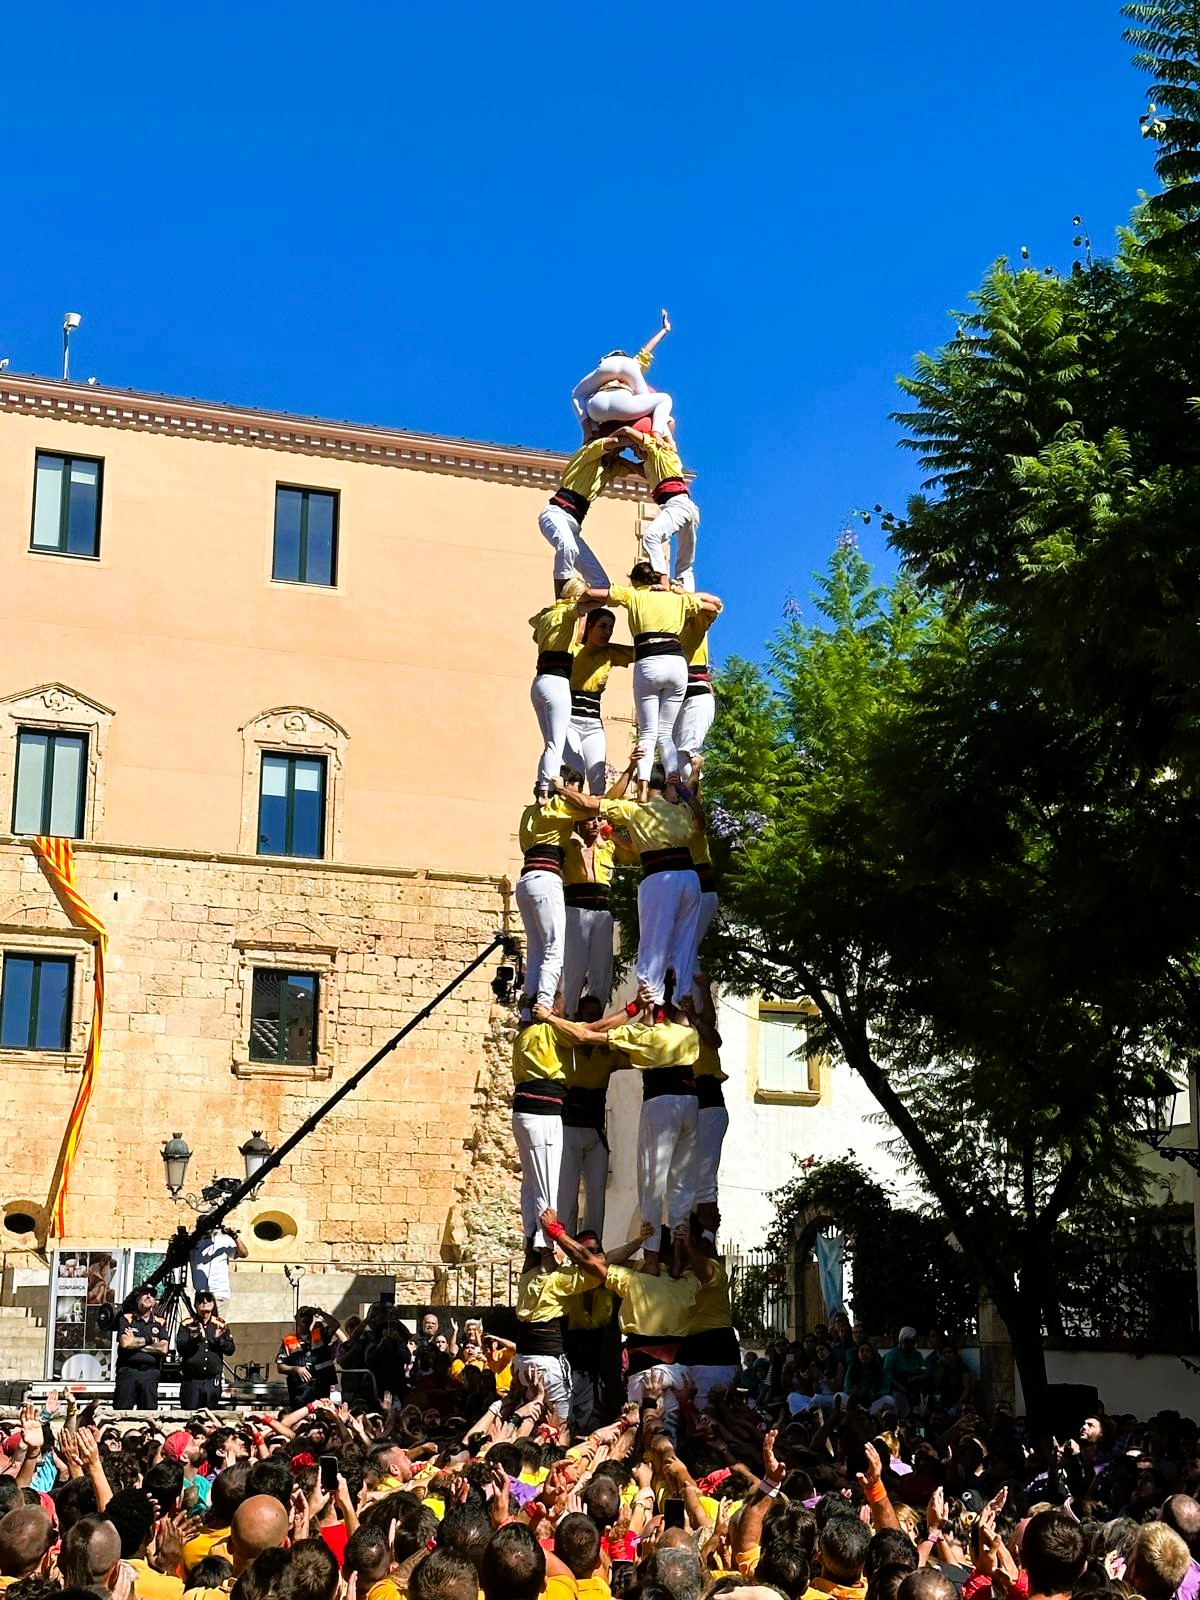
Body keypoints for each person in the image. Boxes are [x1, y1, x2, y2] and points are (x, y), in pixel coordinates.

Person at [541, 992, 700, 1275]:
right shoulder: (687, 1034)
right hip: (689, 1102)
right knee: (682, 1183)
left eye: (595, 1013)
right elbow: (681, 1020)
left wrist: (549, 1017)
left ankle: (650, 1257)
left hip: (647, 1107)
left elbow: (588, 1036)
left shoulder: (640, 1036)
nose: (592, 1018)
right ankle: (677, 1249)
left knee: (650, 1181)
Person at [544, 1209, 698, 1437]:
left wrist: (556, 1232)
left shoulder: (632, 1280)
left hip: (643, 1373)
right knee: (670, 1439)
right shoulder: (690, 1283)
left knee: (642, 1437)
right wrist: (679, 1246)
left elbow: (590, 1261)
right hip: (678, 1373)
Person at [556, 769, 703, 1008]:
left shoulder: (635, 810)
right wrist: (690, 781)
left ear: (639, 784)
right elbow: (699, 819)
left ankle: (649, 1006)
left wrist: (562, 789)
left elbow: (590, 804)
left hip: (661, 877)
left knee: (653, 944)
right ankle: (682, 999)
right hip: (690, 878)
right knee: (685, 942)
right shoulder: (680, 810)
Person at [580, 565, 722, 792]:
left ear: (636, 582)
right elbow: (713, 603)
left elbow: (593, 593)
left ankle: (651, 790)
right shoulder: (679, 605)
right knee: (667, 739)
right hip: (677, 672)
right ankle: (674, 792)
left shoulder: (644, 597)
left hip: (672, 677)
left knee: (659, 739)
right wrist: (682, 597)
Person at [538, 437, 638, 594]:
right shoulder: (590, 451)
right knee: (567, 547)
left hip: (573, 526)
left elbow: (641, 471)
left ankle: (586, 615)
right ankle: (560, 602)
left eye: (620, 451)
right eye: (618, 449)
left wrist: (643, 449)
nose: (618, 453)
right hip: (556, 514)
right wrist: (632, 439)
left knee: (602, 584)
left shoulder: (610, 468)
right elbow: (610, 443)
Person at [607, 425, 700, 593]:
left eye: (634, 448)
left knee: (651, 537)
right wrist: (621, 460)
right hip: (688, 508)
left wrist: (607, 443)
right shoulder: (654, 464)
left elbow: (627, 430)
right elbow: (639, 470)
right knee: (685, 564)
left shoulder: (657, 449)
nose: (635, 453)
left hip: (676, 505)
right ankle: (688, 596)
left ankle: (662, 581)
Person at [511, 1013, 572, 1260]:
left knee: (530, 1180)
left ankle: (530, 1239)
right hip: (542, 1115)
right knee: (547, 1182)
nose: (567, 1015)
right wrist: (630, 1011)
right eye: (563, 1011)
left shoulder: (523, 1035)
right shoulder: (550, 1031)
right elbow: (584, 1033)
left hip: (523, 1114)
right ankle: (546, 1247)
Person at [557, 996, 619, 1237]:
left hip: (594, 1129)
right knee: (567, 1194)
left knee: (596, 1195)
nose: (593, 1018)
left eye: (596, 1014)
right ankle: (564, 1243)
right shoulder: (567, 1047)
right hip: (569, 1127)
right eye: (589, 1014)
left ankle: (594, 1243)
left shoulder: (608, 1052)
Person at [515, 791, 578, 1017]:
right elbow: (593, 807)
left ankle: (527, 1012)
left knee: (536, 951)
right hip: (545, 877)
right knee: (554, 948)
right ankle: (543, 1006)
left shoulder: (529, 813)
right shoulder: (560, 807)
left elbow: (525, 846)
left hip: (525, 881)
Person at [565, 607, 634, 795]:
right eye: (602, 626)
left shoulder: (609, 654)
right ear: (589, 628)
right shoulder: (573, 649)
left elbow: (640, 653)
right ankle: (572, 820)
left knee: (597, 780)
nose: (607, 632)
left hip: (593, 724)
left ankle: (594, 822)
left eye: (610, 628)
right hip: (569, 721)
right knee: (575, 773)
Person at [571, 313, 673, 436]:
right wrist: (664, 330)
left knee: (577, 395)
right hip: (625, 401)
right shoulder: (633, 363)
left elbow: (578, 397)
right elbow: (647, 350)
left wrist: (589, 429)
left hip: (597, 410)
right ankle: (660, 434)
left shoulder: (598, 381)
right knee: (661, 399)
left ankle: (589, 432)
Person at [561, 818, 624, 1017]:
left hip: (601, 911)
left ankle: (595, 1015)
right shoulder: (567, 845)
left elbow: (633, 850)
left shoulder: (608, 846)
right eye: (590, 821)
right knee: (575, 967)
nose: (596, 824)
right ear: (579, 824)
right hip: (575, 909)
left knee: (602, 968)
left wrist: (609, 831)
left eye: (599, 820)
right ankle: (569, 1014)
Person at [677, 1223, 739, 1411]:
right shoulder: (678, 1274)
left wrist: (689, 1246)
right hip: (688, 1349)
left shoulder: (713, 1268)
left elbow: (705, 1272)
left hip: (714, 1350)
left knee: (709, 1415)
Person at [690, 978, 727, 1231]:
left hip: (709, 1099)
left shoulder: (703, 1032)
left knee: (704, 1175)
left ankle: (707, 1233)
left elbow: (714, 1036)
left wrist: (702, 989)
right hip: (688, 1101)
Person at [673, 608, 717, 785]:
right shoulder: (668, 629)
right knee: (673, 757)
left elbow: (712, 607)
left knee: (685, 753)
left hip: (696, 696)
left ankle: (694, 805)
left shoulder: (694, 625)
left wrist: (683, 595)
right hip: (681, 698)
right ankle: (687, 804)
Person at [176, 1291, 236, 1410]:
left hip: (212, 1381)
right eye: (200, 1300)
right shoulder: (187, 1324)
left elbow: (230, 1350)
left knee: (211, 1417)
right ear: (195, 1305)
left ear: (213, 1304)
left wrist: (218, 1340)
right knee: (190, 1416)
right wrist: (197, 1339)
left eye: (208, 1299)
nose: (204, 1302)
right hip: (192, 1381)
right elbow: (181, 1348)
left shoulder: (220, 1324)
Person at [113, 1286, 170, 1410]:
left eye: (152, 1295)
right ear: (137, 1299)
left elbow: (163, 1348)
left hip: (150, 1374)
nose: (149, 1296)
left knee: (148, 1416)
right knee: (122, 1414)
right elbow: (126, 1343)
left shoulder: (160, 1322)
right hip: (128, 1372)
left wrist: (136, 1343)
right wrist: (150, 1340)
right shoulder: (126, 1318)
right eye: (145, 1294)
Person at [276, 1306, 339, 1405]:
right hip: (300, 1392)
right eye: (302, 1315)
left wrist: (320, 1313)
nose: (305, 1317)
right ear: (296, 1318)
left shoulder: (320, 1335)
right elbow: (280, 1367)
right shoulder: (288, 1341)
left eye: (309, 1315)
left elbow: (335, 1325)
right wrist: (296, 1369)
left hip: (321, 1389)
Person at [189, 1226, 248, 1314]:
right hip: (200, 1294)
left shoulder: (223, 1240)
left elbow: (244, 1253)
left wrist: (234, 1237)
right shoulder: (194, 1244)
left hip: (219, 1293)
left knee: (216, 1325)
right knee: (201, 1326)